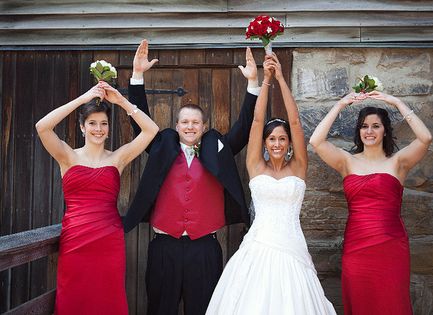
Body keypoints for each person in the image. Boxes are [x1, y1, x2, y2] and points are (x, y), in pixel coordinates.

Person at [122, 39, 260, 315]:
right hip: (164, 248)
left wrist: (253, 83)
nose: (190, 126)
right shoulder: (161, 146)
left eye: (195, 122)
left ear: (204, 126)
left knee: (204, 310)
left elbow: (244, 127)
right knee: (160, 310)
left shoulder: (218, 149)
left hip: (204, 249)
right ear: (176, 125)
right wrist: (137, 77)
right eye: (184, 121)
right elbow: (139, 122)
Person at [206, 53, 337, 315]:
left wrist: (280, 77)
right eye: (271, 139)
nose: (276, 144)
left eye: (282, 139)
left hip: (292, 245)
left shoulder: (298, 168)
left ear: (289, 143)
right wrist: (265, 80)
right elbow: (256, 121)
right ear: (265, 143)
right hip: (258, 244)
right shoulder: (256, 166)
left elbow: (296, 121)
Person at [35, 81, 159, 314]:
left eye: (104, 124)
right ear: (82, 127)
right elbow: (42, 127)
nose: (98, 129)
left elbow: (151, 130)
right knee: (74, 298)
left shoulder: (118, 158)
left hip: (108, 241)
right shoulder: (67, 156)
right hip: (75, 241)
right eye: (92, 123)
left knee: (107, 299)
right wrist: (83, 99)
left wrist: (121, 101)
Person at [309, 91, 432, 314]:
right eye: (364, 126)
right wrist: (340, 104)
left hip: (391, 246)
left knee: (392, 303)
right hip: (357, 248)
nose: (369, 131)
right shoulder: (347, 161)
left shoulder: (398, 163)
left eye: (376, 126)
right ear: (358, 131)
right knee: (361, 302)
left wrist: (396, 102)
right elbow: (316, 141)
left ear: (385, 131)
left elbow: (425, 139)